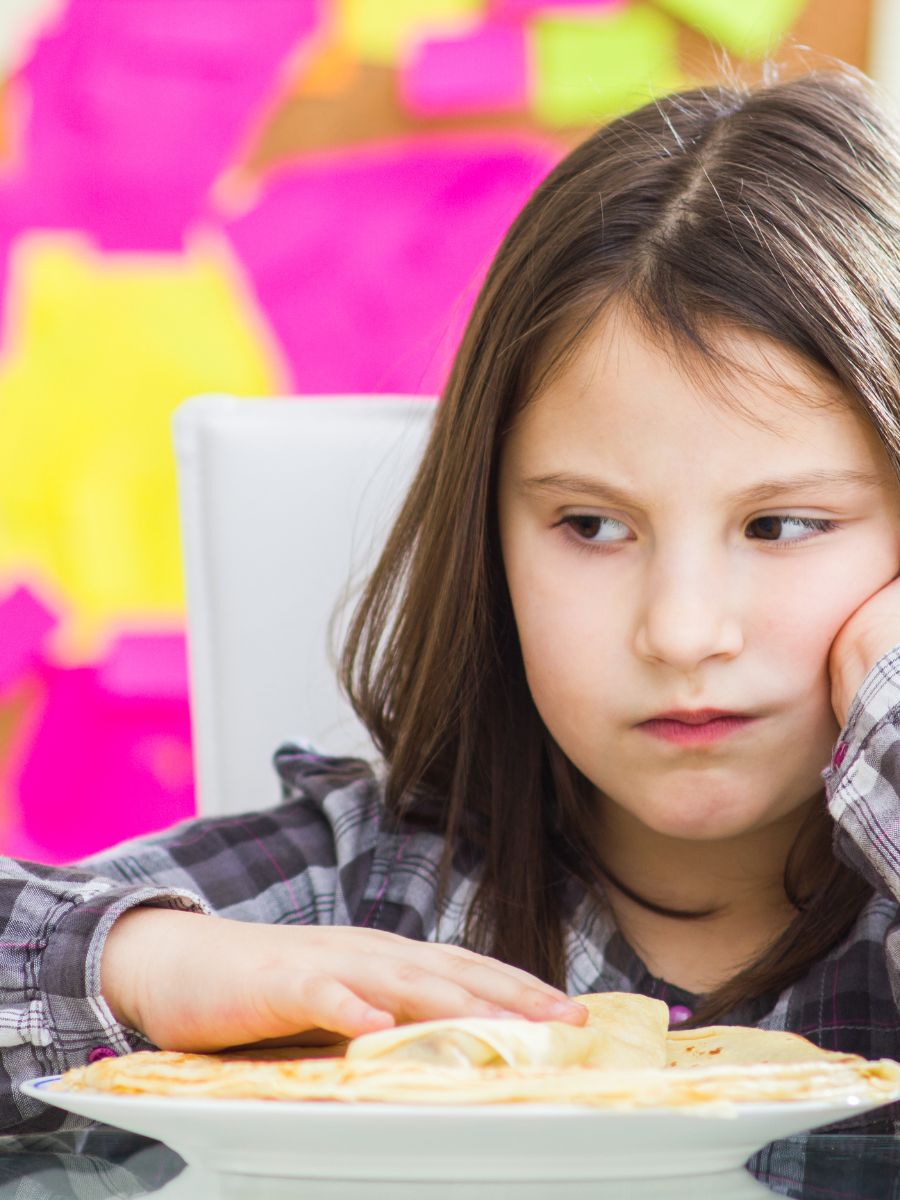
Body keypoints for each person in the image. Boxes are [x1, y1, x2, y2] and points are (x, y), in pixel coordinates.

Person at [3, 62, 900, 1136]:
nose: (682, 631)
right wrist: (142, 959)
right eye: (592, 527)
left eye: (782, 526)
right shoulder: (371, 894)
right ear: (490, 536)